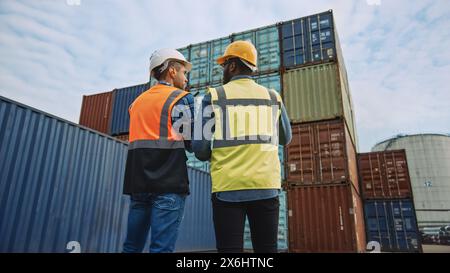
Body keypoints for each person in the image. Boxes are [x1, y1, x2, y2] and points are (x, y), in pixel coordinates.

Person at [192, 41, 292, 253]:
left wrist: (217, 154)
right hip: (266, 187)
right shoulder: (273, 97)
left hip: (228, 189)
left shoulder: (215, 96)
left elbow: (200, 149)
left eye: (224, 65)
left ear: (233, 66)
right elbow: (286, 138)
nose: (223, 71)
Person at [122, 48, 194, 253]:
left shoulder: (135, 103)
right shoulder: (181, 98)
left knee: (131, 247)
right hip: (168, 185)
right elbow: (191, 142)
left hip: (138, 185)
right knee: (161, 249)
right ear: (172, 71)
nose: (186, 78)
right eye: (184, 72)